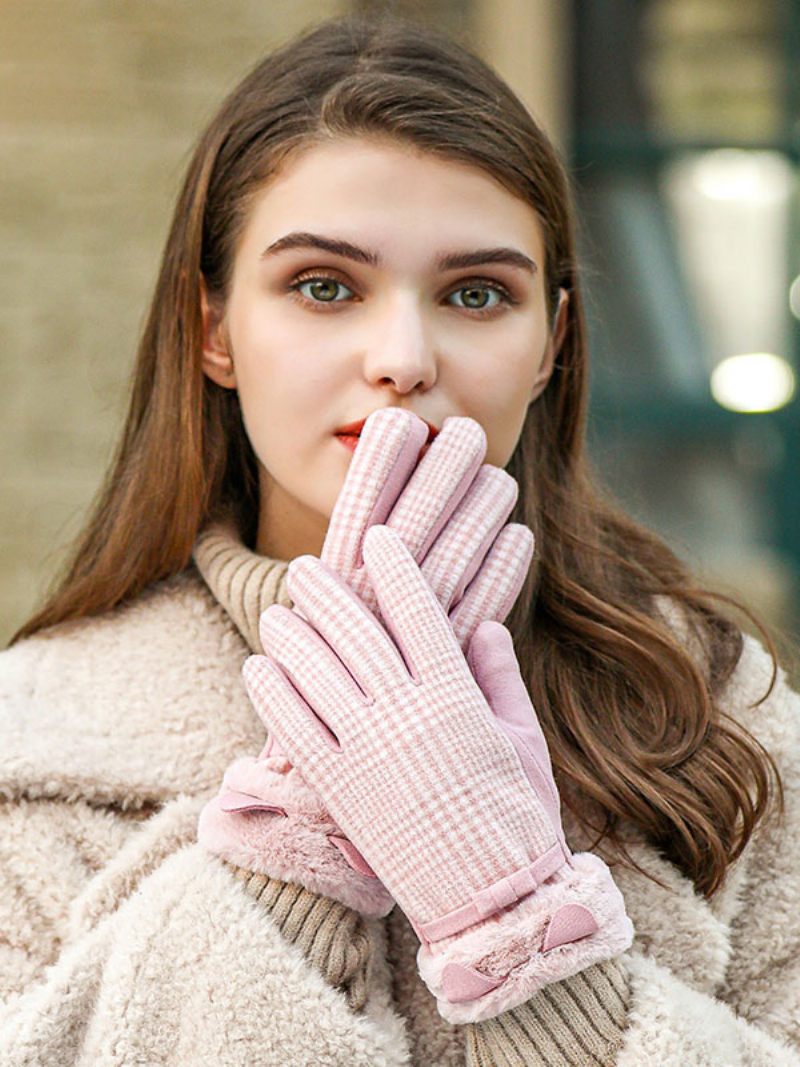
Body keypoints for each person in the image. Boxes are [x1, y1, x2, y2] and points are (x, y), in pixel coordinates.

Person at [1, 12, 798, 1066]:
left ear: (551, 342)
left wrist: (506, 910)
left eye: (475, 293)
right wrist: (296, 839)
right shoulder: (43, 739)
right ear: (213, 328)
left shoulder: (709, 704)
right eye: (322, 286)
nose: (403, 357)